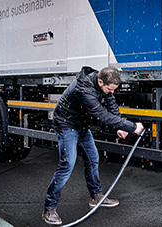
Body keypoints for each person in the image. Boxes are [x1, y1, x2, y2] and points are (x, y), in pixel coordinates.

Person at [42, 66, 144, 225]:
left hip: (81, 124)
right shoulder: (84, 90)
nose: (112, 92)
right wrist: (131, 127)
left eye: (114, 89)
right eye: (110, 89)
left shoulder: (105, 85)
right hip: (66, 124)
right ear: (100, 81)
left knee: (92, 159)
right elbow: (103, 116)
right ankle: (49, 208)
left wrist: (119, 126)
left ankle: (96, 197)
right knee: (67, 163)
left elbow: (111, 105)